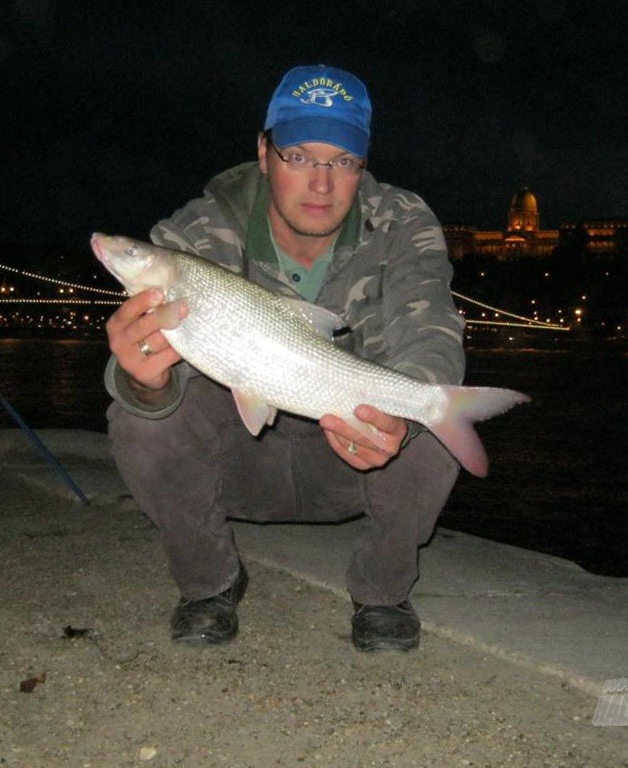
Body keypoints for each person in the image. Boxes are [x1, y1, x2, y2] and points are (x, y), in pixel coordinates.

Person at [104, 64, 465, 652]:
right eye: (299, 156)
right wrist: (142, 380)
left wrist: (402, 414)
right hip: (241, 461)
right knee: (136, 412)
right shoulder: (194, 234)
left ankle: (382, 592)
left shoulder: (401, 222)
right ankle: (208, 584)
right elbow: (144, 368)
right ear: (264, 152)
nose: (321, 184)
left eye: (341, 161)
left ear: (362, 165)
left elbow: (430, 328)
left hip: (355, 453)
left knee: (434, 410)